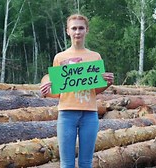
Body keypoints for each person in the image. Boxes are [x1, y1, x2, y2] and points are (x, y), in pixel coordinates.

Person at [40, 14, 114, 168]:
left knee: (86, 163)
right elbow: (58, 90)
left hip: (90, 114)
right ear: (68, 31)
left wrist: (107, 83)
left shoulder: (95, 57)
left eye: (81, 28)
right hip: (66, 114)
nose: (77, 32)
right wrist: (47, 90)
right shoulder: (60, 57)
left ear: (86, 30)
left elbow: (95, 89)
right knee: (67, 164)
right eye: (74, 28)